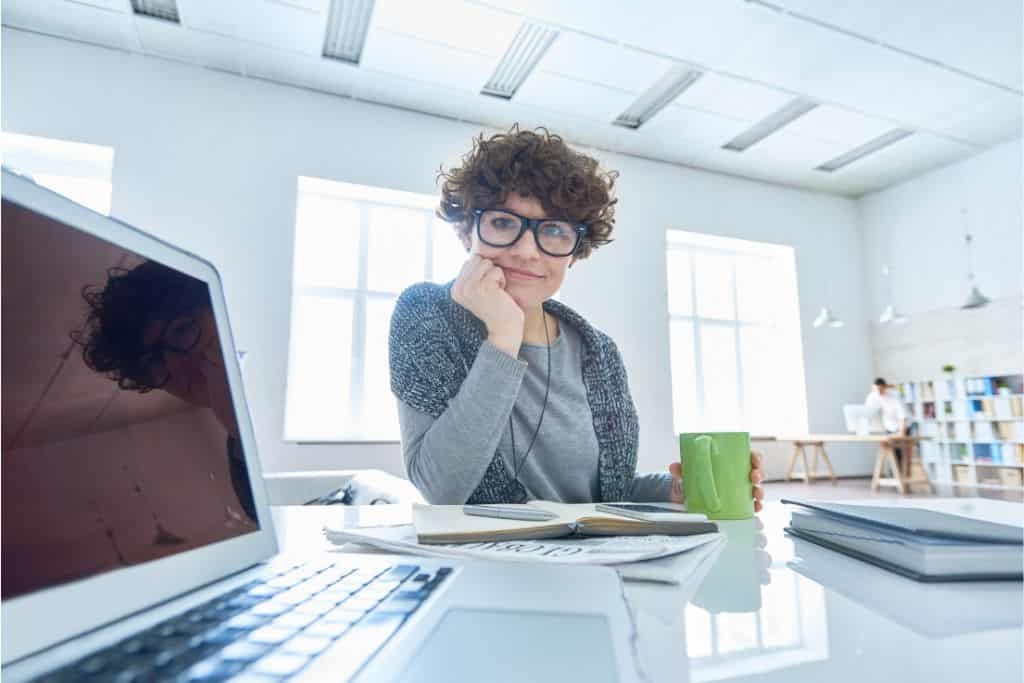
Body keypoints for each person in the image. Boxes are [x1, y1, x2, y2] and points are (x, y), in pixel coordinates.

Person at [389, 126, 764, 508]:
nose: (526, 251)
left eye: (552, 230)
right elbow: (441, 489)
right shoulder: (426, 314)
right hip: (487, 564)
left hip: (589, 564)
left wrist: (674, 491)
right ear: (467, 230)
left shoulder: (597, 352)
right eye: (502, 222)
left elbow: (600, 497)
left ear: (574, 250)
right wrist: (503, 336)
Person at [73, 260, 256, 521]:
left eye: (181, 331)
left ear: (222, 306)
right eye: (153, 362)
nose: (176, 366)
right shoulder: (239, 458)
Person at [865, 377, 915, 464]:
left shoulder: (895, 396)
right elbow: (867, 412)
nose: (878, 392)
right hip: (890, 426)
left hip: (903, 426)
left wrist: (902, 433)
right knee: (893, 452)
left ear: (885, 387)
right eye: (876, 390)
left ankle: (903, 474)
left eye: (880, 389)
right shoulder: (873, 396)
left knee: (902, 452)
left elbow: (903, 416)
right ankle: (896, 473)